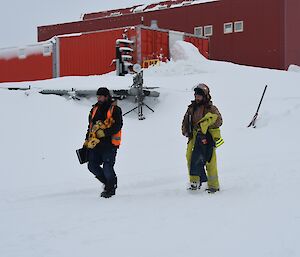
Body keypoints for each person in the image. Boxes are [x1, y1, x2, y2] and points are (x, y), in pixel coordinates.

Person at [182, 83, 224, 193]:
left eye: (199, 95)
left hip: (208, 137)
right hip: (194, 137)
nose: (197, 97)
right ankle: (194, 182)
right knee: (190, 158)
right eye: (196, 95)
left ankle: (213, 185)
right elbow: (186, 120)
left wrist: (206, 125)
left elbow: (219, 121)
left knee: (209, 160)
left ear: (205, 96)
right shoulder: (191, 108)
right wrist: (185, 130)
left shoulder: (211, 108)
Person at [83, 87, 123, 198]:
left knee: (107, 167)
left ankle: (110, 189)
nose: (98, 98)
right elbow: (90, 126)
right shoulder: (94, 109)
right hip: (95, 144)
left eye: (100, 96)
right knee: (92, 166)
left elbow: (118, 126)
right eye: (97, 96)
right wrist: (86, 141)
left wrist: (105, 133)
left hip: (109, 145)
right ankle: (108, 183)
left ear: (106, 97)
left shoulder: (115, 109)